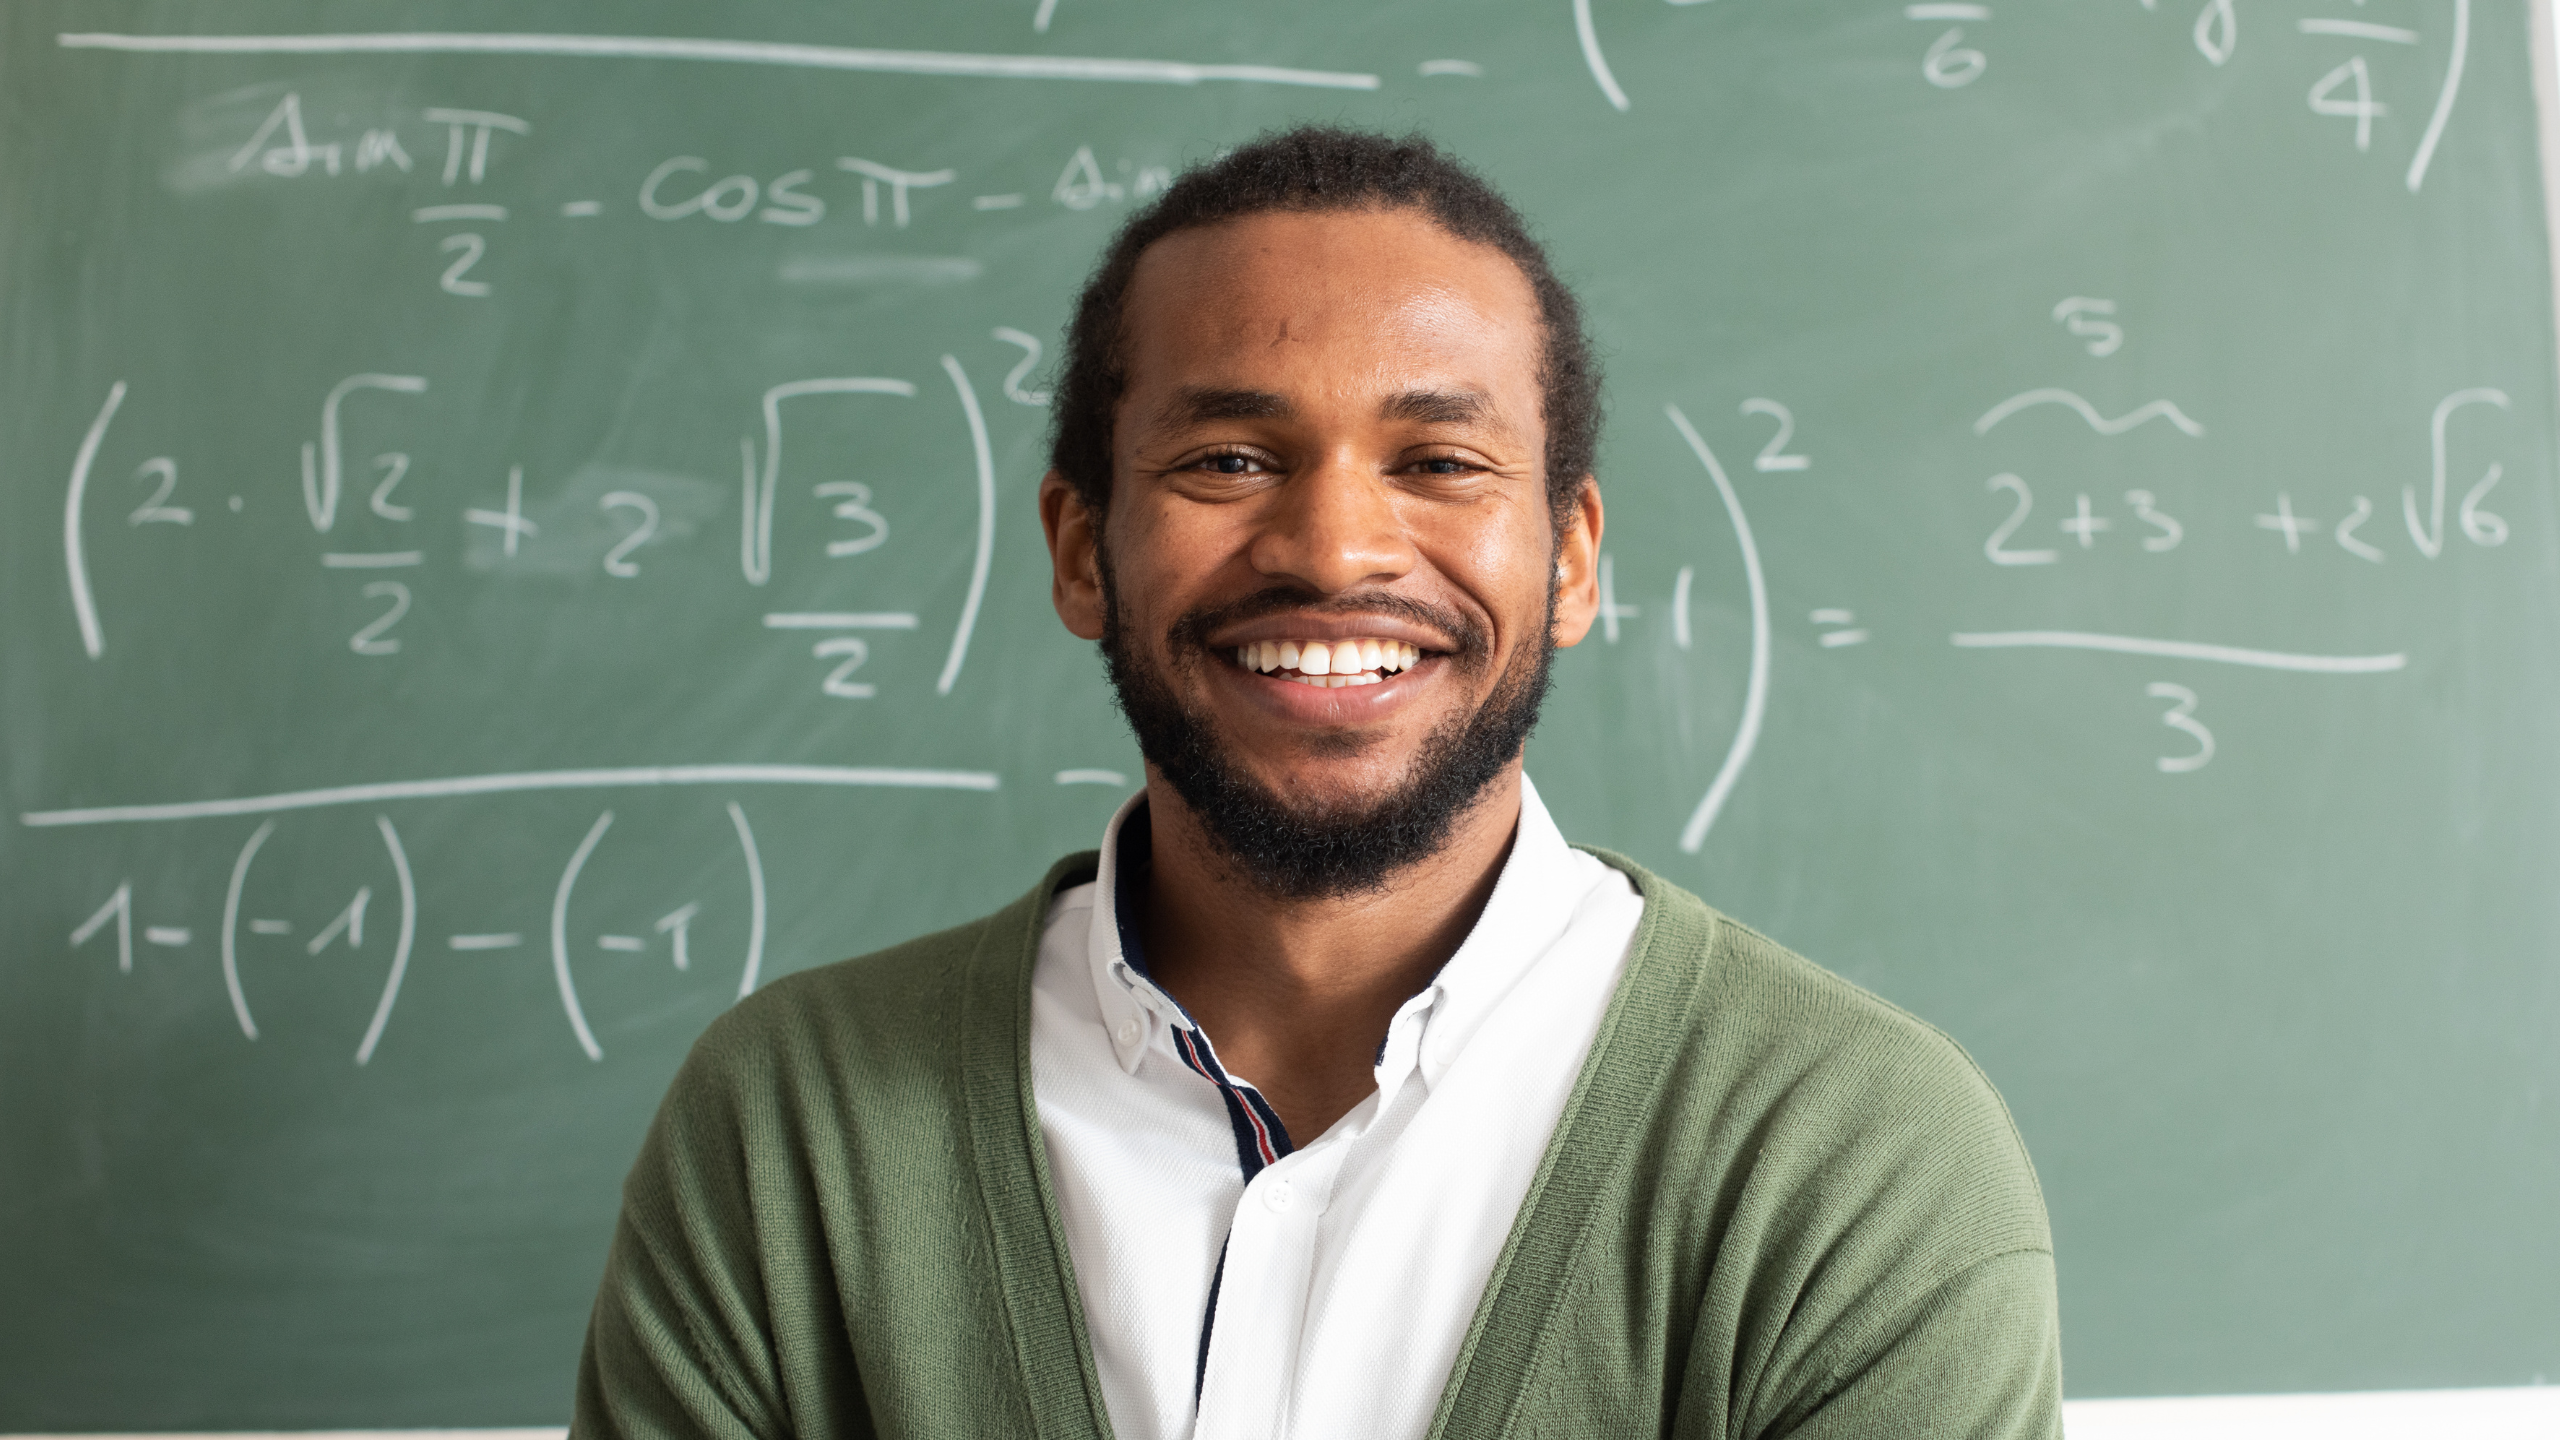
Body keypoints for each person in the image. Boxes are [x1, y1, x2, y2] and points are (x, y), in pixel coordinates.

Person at [573, 126, 2062, 1440]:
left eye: (1440, 462)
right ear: (1083, 550)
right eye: (1228, 459)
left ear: (1573, 559)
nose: (1337, 548)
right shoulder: (789, 1129)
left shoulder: (1851, 1156)